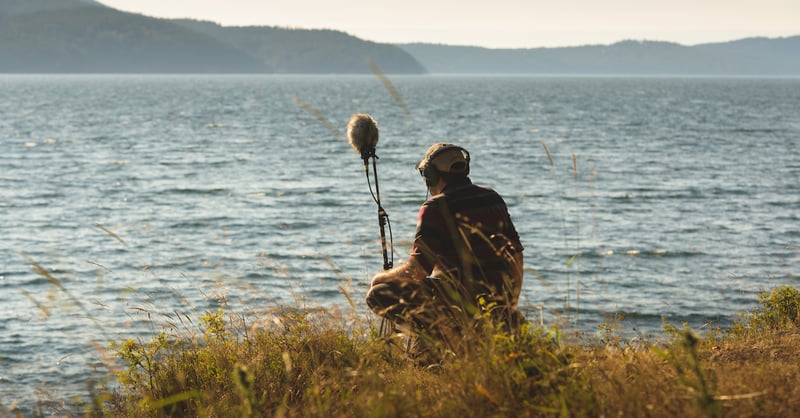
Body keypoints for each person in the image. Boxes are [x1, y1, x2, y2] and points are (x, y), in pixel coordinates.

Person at [366, 143, 525, 356]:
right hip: (496, 304)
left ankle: (446, 344)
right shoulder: (493, 198)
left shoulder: (435, 207)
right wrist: (510, 304)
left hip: (461, 305)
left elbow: (417, 272)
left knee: (378, 294)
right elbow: (516, 256)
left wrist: (381, 277)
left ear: (431, 175)